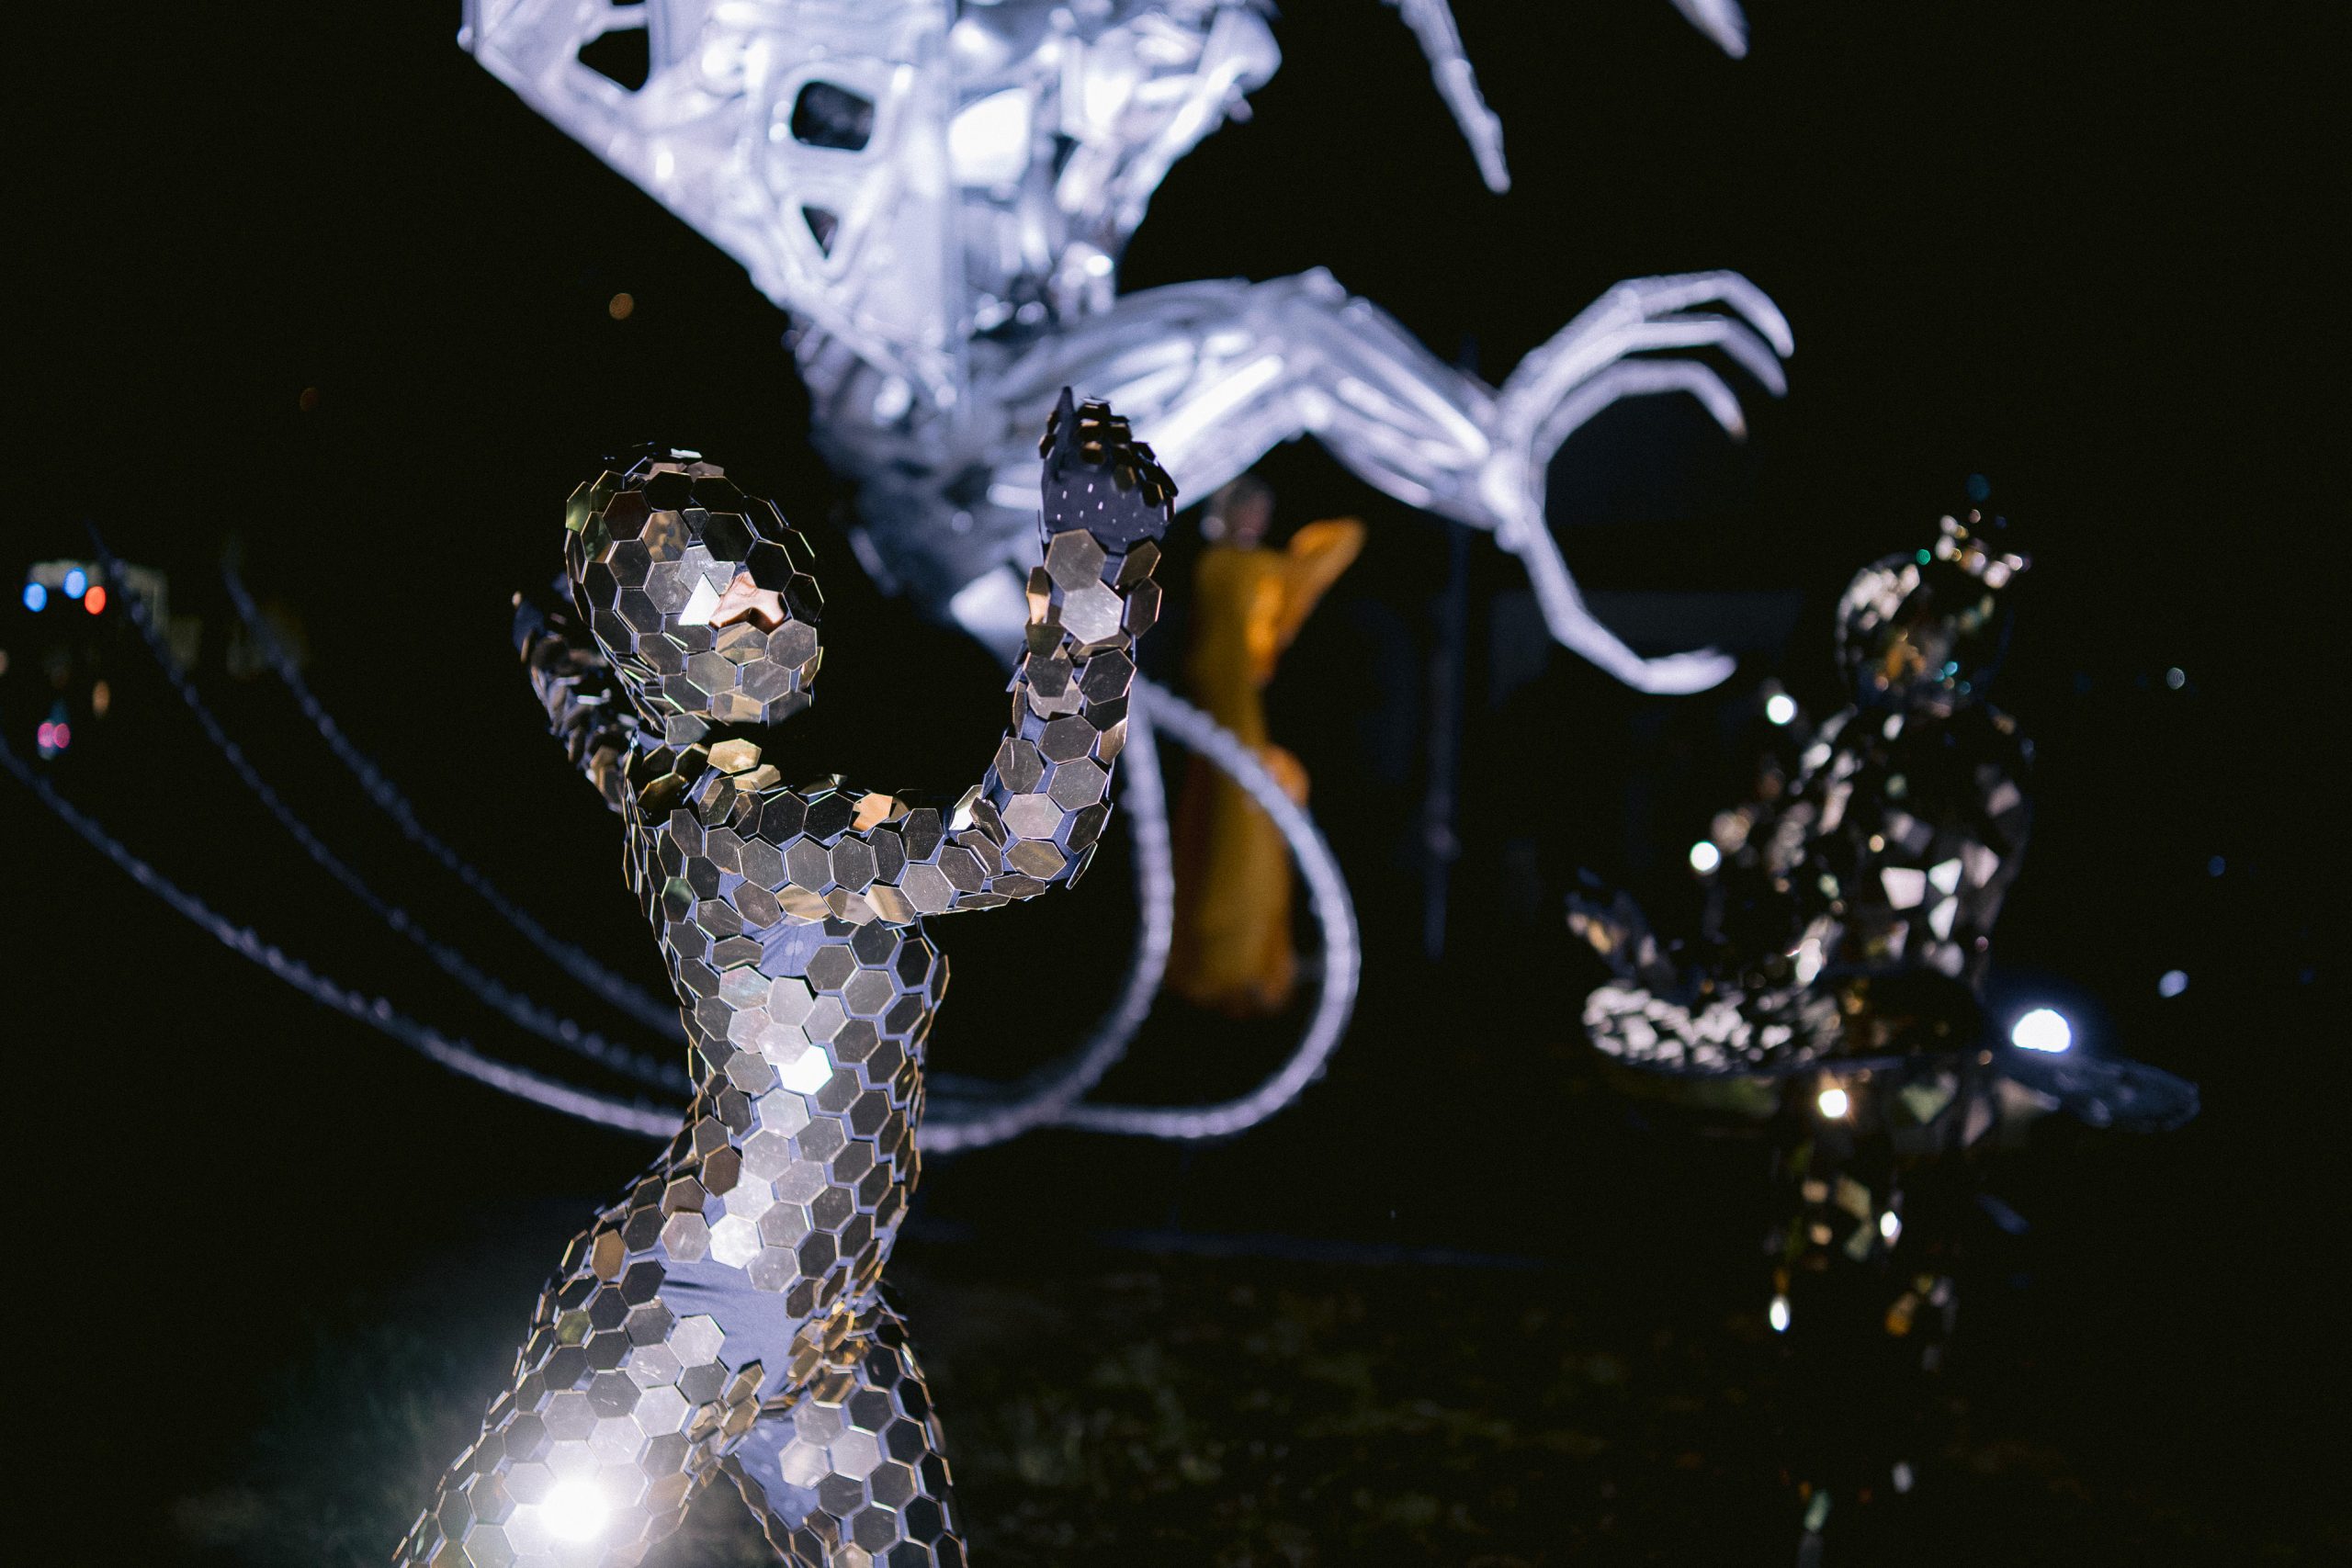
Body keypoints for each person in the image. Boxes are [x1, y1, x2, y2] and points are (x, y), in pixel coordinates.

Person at [397, 392, 1170, 1568]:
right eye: (723, 603)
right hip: (683, 1324)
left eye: (760, 580)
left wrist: (544, 622)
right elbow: (1019, 842)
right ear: (660, 642)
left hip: (830, 1327)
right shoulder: (763, 837)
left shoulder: (669, 784)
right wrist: (1093, 574)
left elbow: (593, 722)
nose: (765, 607)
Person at [1167, 476, 1363, 1015]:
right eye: (1248, 509)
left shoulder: (1244, 566)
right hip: (1224, 701)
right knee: (1234, 825)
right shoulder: (1225, 565)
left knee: (1245, 823)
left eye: (1262, 511)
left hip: (1234, 702)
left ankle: (1240, 964)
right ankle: (1221, 965)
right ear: (1227, 514)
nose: (1257, 521)